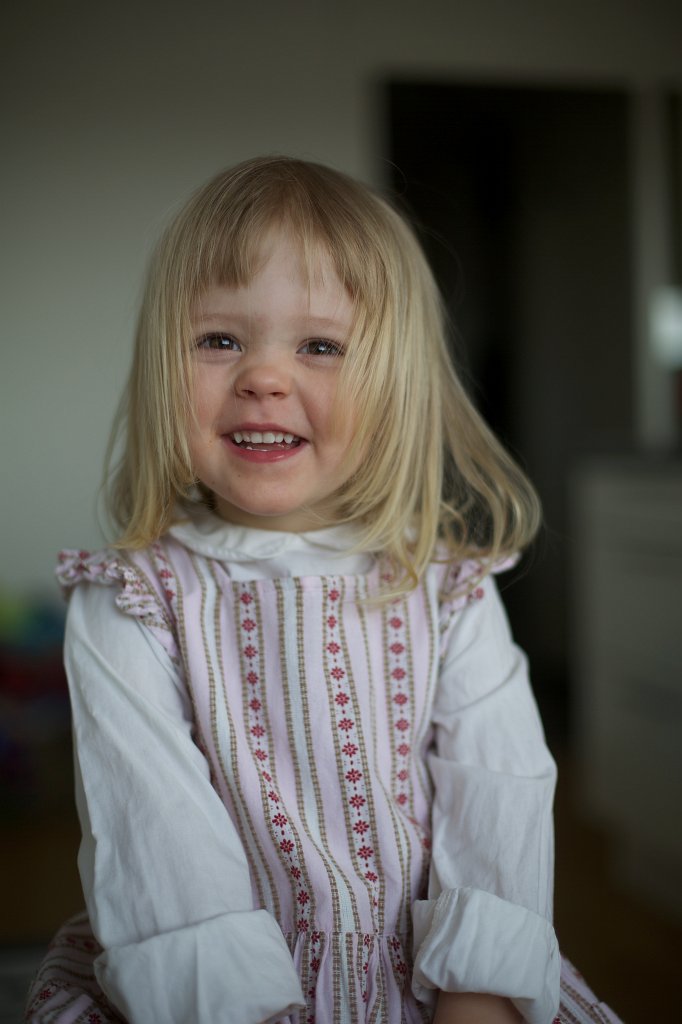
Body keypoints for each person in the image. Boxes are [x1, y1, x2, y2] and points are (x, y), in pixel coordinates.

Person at [25, 157, 623, 1024]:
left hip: (437, 980)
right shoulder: (132, 601)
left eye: (320, 346)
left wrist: (478, 1001)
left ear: (395, 383)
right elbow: (154, 837)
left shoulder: (447, 590)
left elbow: (499, 801)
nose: (264, 376)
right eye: (219, 340)